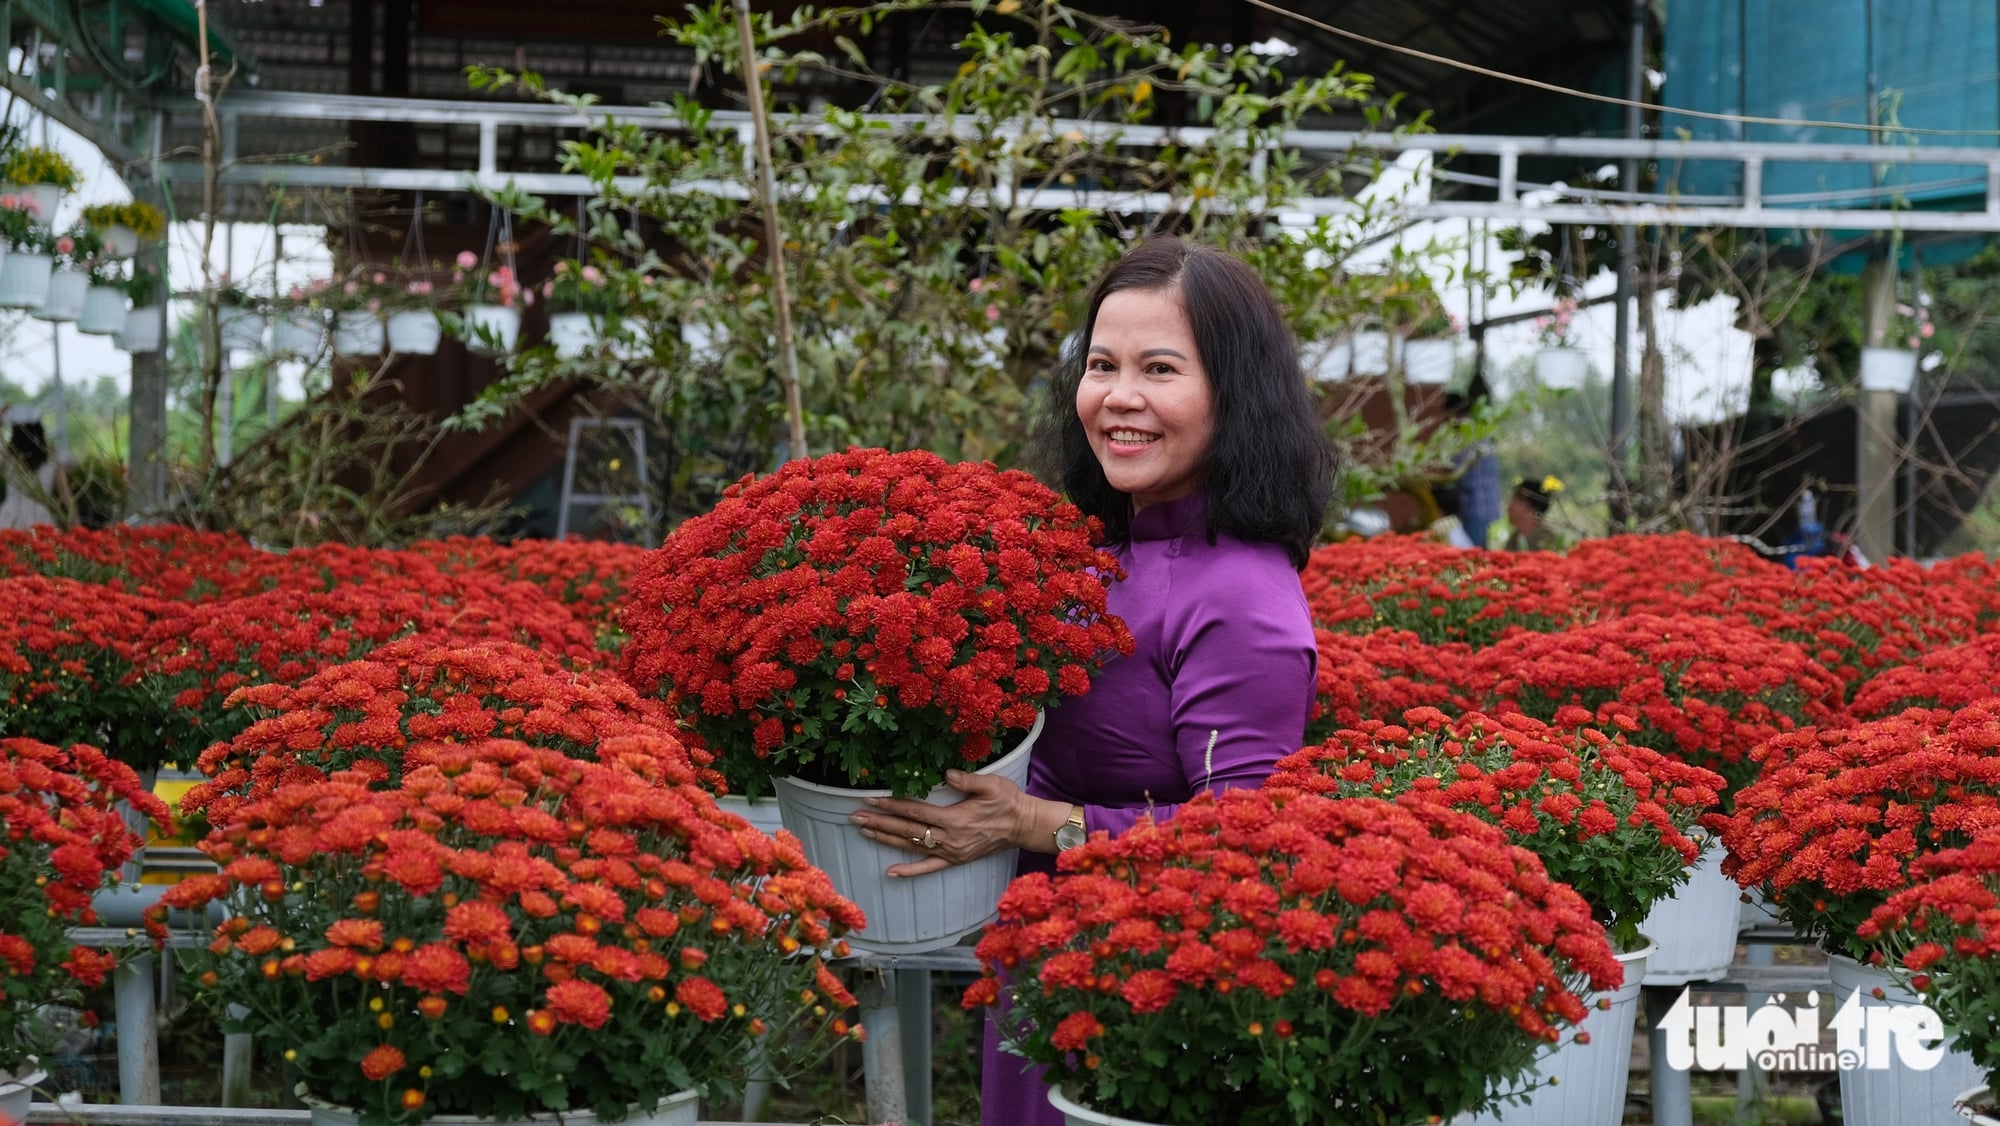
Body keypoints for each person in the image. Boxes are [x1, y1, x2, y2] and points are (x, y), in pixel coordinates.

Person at [843, 236, 1335, 1126]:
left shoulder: (1243, 597)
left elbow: (1248, 838)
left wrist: (1035, 822)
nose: (1119, 398)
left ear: (1236, 394)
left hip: (1146, 996)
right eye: (1101, 364)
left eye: (1160, 368)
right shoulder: (1099, 552)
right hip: (1047, 956)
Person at [0, 411, 70, 530]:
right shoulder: (53, 456)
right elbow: (65, 494)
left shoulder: (8, 456)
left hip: (10, 517)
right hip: (41, 517)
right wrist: (77, 526)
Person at [1504, 474, 1561, 550]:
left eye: (1513, 501)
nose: (1508, 507)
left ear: (1524, 505)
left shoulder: (1548, 542)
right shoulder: (1514, 539)